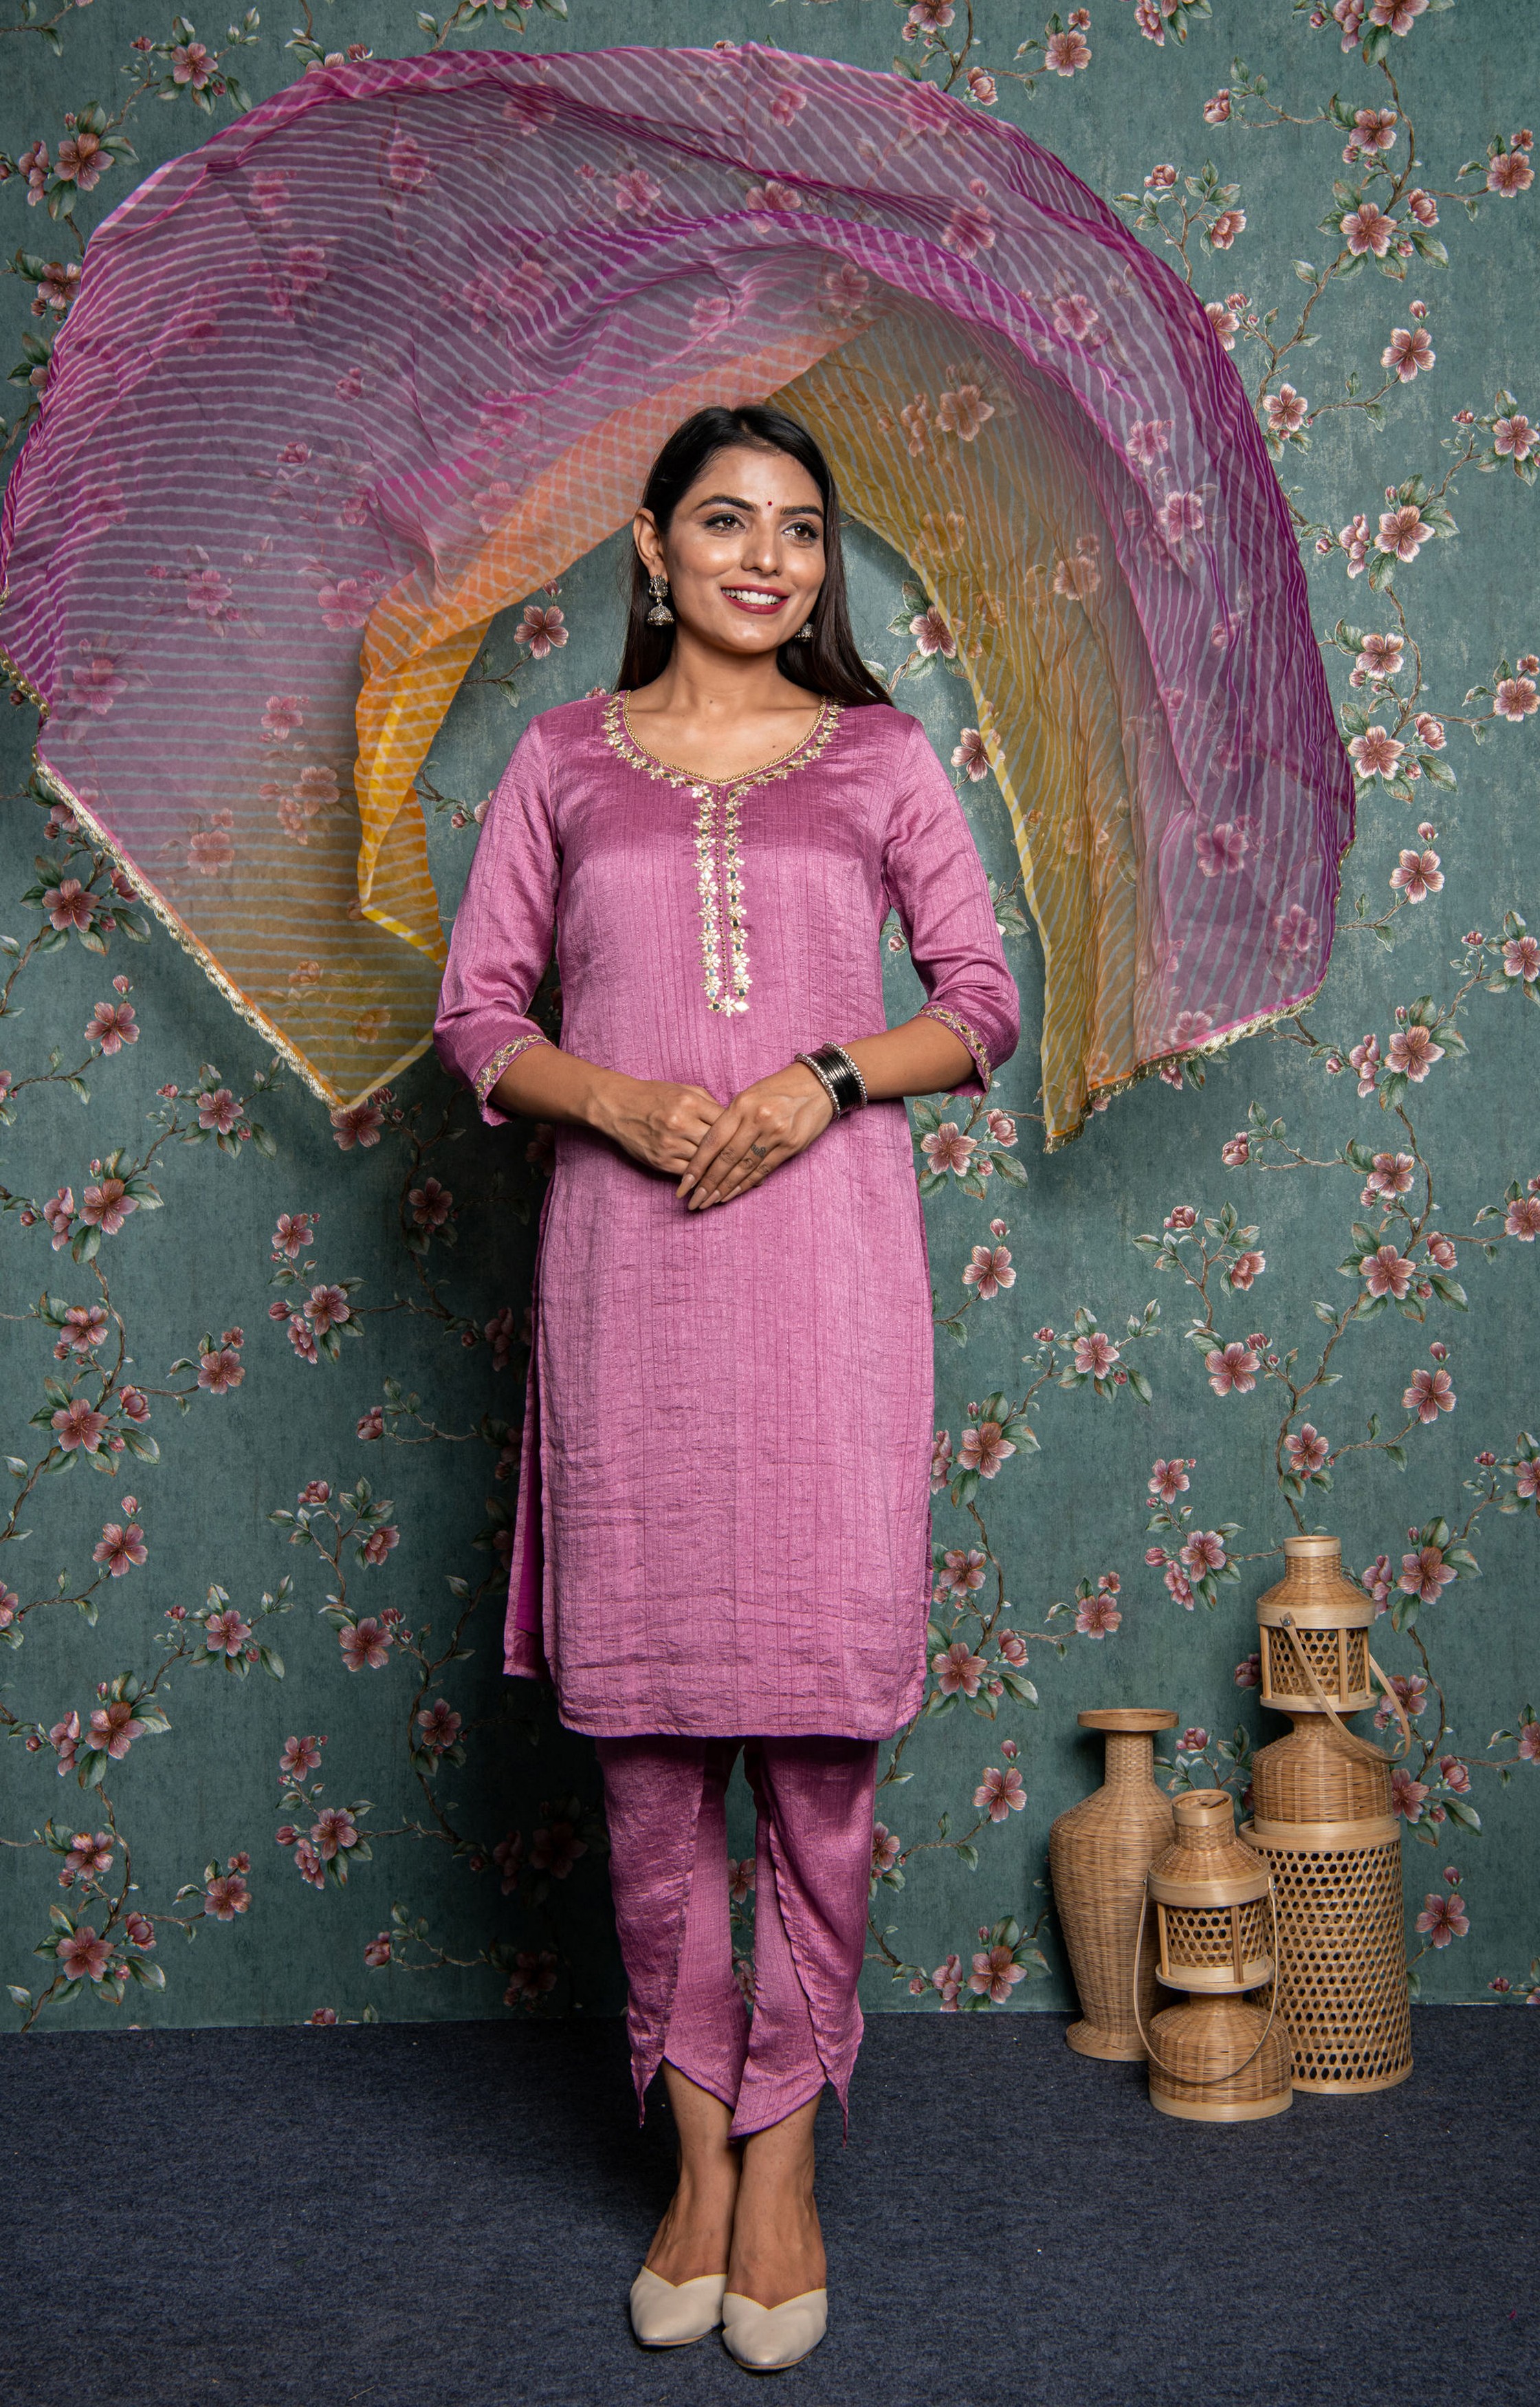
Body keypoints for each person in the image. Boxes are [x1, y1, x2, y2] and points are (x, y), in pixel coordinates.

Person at [433, 403, 1019, 2372]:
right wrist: (617, 1098)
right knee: (650, 1742)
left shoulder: (883, 758)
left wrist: (824, 1078)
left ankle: (786, 2152)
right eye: (726, 520)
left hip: (830, 1282)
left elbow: (982, 1003)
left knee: (824, 1735)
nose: (767, 557)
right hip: (631, 1286)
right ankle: (693, 2151)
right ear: (654, 550)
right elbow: (474, 1017)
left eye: (801, 528)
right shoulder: (558, 764)